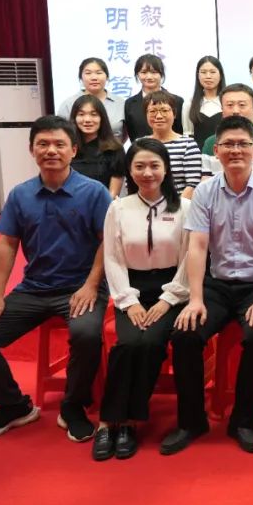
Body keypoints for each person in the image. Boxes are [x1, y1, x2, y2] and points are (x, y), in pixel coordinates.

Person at [0, 115, 110, 443]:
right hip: (34, 289)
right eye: (43, 144)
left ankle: (73, 406)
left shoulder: (94, 192)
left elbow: (107, 242)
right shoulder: (20, 195)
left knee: (86, 334)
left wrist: (91, 285)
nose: (51, 150)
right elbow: (7, 244)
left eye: (59, 144)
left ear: (73, 150)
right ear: (32, 150)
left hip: (81, 287)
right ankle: (14, 406)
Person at [160, 115, 253, 455]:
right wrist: (195, 298)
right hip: (217, 284)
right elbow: (197, 247)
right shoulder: (205, 192)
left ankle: (243, 421)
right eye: (228, 145)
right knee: (185, 334)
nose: (236, 151)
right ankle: (192, 421)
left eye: (242, 144)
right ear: (216, 151)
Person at [94, 138, 190, 460]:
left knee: (150, 343)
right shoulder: (118, 208)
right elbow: (112, 257)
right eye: (139, 166)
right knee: (129, 343)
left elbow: (190, 258)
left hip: (172, 288)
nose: (147, 173)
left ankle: (127, 422)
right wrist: (129, 300)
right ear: (129, 170)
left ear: (166, 169)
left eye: (154, 166)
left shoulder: (184, 208)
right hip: (131, 287)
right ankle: (108, 422)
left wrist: (168, 299)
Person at [199, 84, 253, 180]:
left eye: (242, 105)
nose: (236, 111)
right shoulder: (210, 143)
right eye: (230, 105)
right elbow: (206, 182)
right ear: (222, 111)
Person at [144, 90, 201, 198]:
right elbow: (131, 182)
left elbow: (193, 184)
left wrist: (176, 206)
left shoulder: (188, 144)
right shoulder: (139, 145)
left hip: (179, 205)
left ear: (174, 114)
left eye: (164, 110)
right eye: (152, 111)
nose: (159, 116)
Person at [69, 94, 125, 197]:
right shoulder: (67, 148)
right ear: (74, 118)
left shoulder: (115, 149)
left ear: (102, 118)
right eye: (81, 114)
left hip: (102, 204)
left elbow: (112, 195)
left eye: (94, 114)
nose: (87, 119)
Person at [57, 57, 125, 140]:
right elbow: (60, 132)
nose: (94, 77)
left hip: (113, 147)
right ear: (81, 78)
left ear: (107, 77)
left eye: (99, 73)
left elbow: (126, 132)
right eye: (88, 73)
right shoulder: (68, 104)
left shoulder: (121, 103)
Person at [122, 54, 184, 142]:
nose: (149, 77)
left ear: (161, 74)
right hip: (141, 149)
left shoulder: (177, 101)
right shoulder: (130, 104)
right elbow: (131, 133)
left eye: (154, 72)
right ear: (137, 74)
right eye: (143, 72)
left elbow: (180, 131)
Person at [183, 55, 226, 147]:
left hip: (225, 151)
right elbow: (188, 135)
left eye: (213, 72)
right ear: (198, 75)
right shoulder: (190, 103)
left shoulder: (228, 102)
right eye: (203, 72)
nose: (208, 76)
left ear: (221, 75)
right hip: (198, 152)